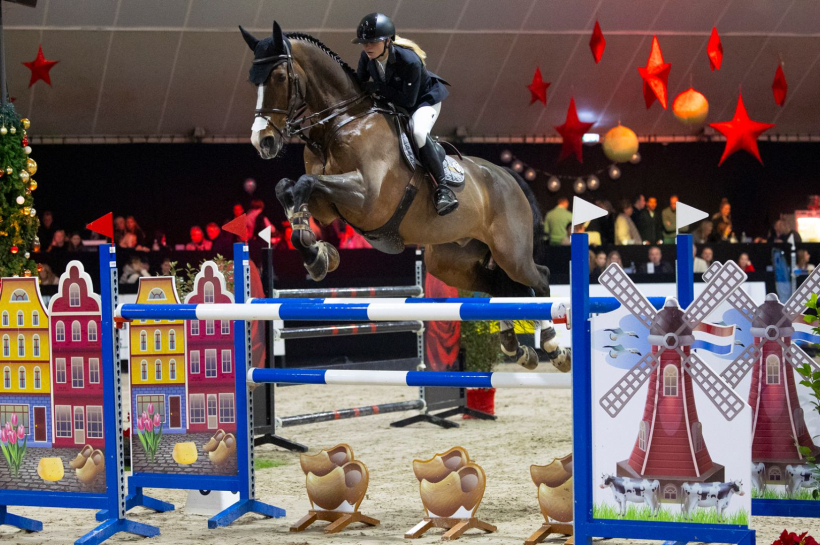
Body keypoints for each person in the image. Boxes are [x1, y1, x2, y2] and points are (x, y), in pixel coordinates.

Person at [354, 12, 455, 215]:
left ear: (387, 41)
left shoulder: (409, 61)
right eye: (364, 43)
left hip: (423, 101)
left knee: (418, 132)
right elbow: (359, 85)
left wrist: (377, 88)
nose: (367, 47)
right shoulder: (367, 57)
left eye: (372, 42)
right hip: (395, 101)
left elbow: (408, 101)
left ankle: (443, 189)